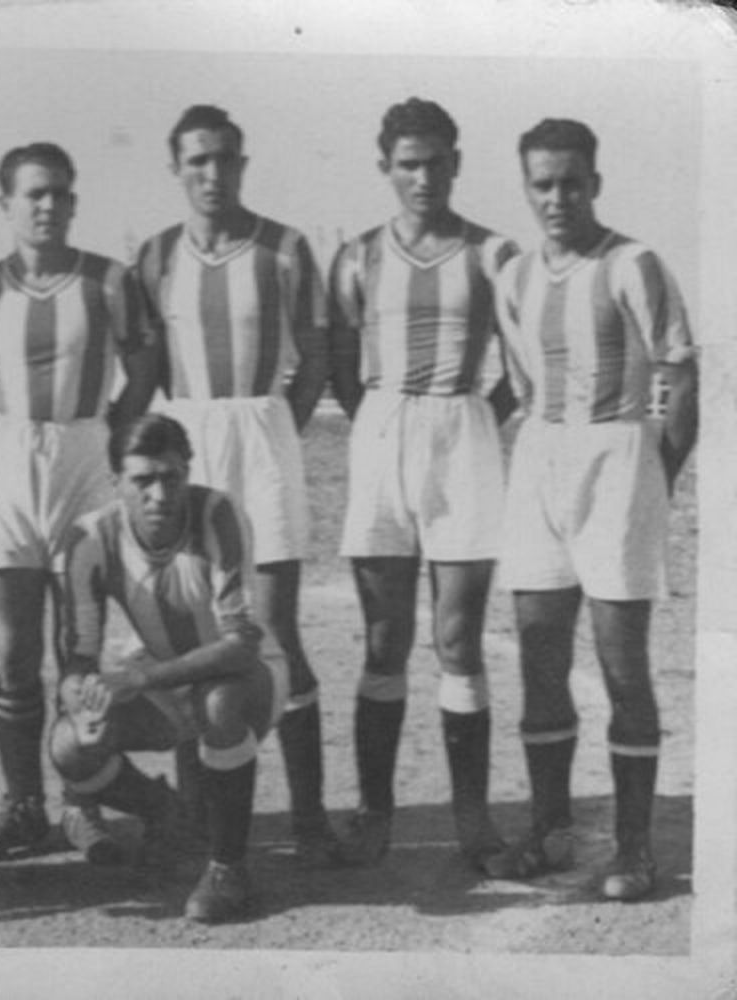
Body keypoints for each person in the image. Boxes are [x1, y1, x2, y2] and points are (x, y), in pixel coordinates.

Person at [484, 119, 697, 902]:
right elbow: (520, 387)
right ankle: (550, 831)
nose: (557, 197)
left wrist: (653, 479)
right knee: (540, 659)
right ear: (526, 188)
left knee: (621, 664)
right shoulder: (513, 277)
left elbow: (682, 380)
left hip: (619, 455)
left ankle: (634, 849)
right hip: (542, 455)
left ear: (595, 184)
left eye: (571, 182)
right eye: (543, 183)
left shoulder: (633, 264)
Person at [132, 105, 339, 865]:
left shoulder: (285, 249)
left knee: (277, 631)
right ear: (176, 169)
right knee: (200, 634)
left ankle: (311, 818)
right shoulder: (155, 256)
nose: (211, 174)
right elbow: (147, 367)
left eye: (224, 159)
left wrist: (274, 425)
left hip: (261, 434)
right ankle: (201, 816)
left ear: (242, 165)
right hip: (191, 437)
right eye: (196, 161)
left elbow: (314, 360)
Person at [0, 142, 159, 865]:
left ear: (73, 202)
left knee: (81, 645)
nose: (47, 206)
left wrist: (106, 439)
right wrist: (2, 440)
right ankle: (23, 806)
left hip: (84, 456)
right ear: (4, 203)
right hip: (7, 460)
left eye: (60, 193)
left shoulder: (109, 282)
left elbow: (143, 368)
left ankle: (83, 802)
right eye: (33, 194)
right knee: (13, 653)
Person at [325, 98, 518, 869]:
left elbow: (520, 366)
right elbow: (342, 367)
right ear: (386, 168)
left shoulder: (493, 253)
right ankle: (375, 813)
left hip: (462, 432)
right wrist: (381, 421)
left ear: (456, 163)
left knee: (458, 639)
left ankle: (473, 821)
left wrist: (474, 418)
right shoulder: (357, 256)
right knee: (384, 640)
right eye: (408, 164)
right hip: (383, 430)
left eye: (437, 162)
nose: (423, 177)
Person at [54, 413, 286, 922]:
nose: (159, 495)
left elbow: (241, 645)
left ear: (188, 473)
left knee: (218, 702)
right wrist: (79, 699)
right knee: (69, 745)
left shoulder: (217, 514)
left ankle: (228, 869)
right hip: (162, 673)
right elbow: (78, 658)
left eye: (171, 477)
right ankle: (167, 812)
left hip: (247, 677)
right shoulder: (89, 538)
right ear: (115, 482)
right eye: (143, 480)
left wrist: (139, 679)